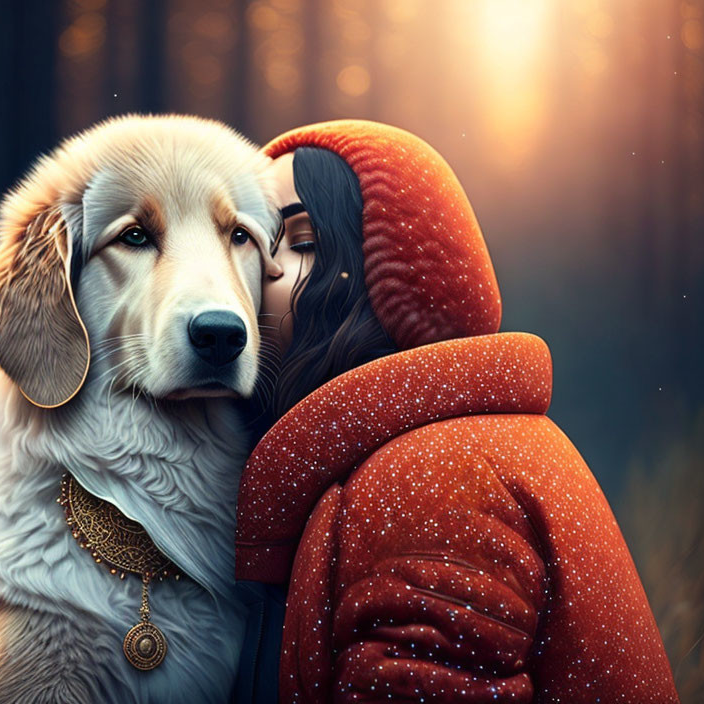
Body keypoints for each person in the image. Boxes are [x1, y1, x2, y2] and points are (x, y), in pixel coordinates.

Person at [233, 120, 678, 703]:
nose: (255, 271)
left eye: (303, 240)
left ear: (389, 279)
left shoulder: (428, 481)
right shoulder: (450, 444)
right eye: (248, 240)